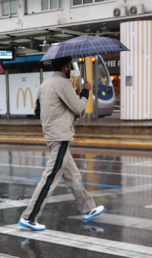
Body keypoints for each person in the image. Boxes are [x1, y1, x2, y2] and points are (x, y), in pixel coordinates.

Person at [18, 56, 105, 231]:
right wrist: (86, 91)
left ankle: (88, 208)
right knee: (49, 178)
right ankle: (29, 216)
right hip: (60, 136)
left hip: (51, 134)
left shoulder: (45, 85)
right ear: (65, 67)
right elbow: (78, 107)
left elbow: (37, 111)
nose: (71, 70)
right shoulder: (63, 83)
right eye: (70, 66)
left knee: (73, 176)